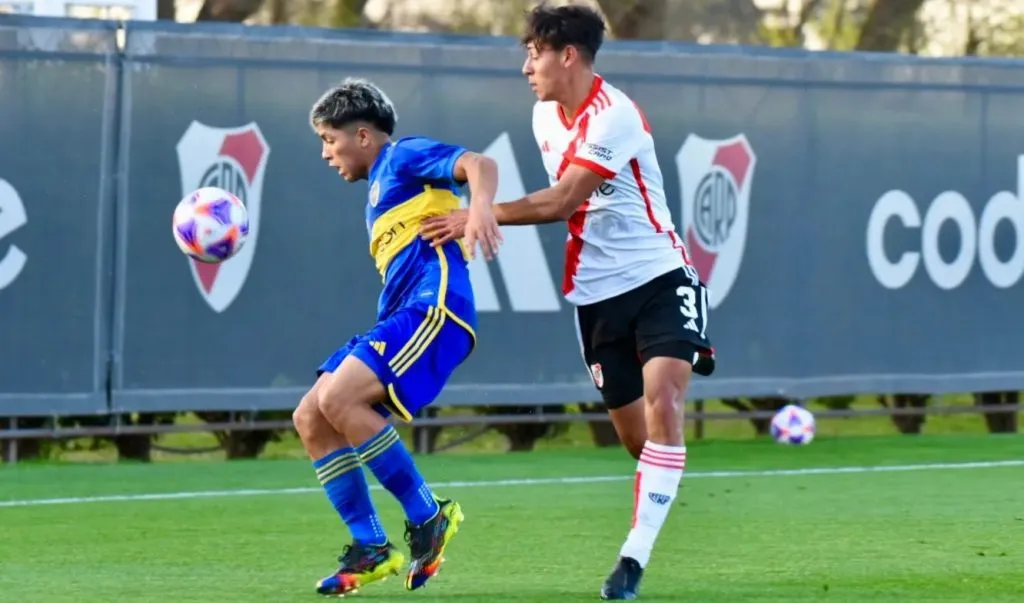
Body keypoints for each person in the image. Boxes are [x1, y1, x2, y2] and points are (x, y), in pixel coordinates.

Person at [420, 4, 715, 600]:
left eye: (534, 53)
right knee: (642, 443)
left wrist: (480, 212)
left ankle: (632, 559)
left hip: (660, 275)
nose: (527, 66)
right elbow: (569, 207)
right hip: (596, 296)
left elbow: (561, 202)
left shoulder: (617, 116)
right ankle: (661, 470)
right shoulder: (543, 117)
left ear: (568, 55)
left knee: (666, 400)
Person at [292, 77, 502, 597]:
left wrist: (479, 208)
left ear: (363, 135)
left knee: (339, 397)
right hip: (402, 315)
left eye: (329, 139)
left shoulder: (402, 156)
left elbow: (481, 165)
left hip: (436, 310)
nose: (326, 153)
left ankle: (428, 515)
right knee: (312, 415)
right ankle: (372, 547)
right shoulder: (379, 189)